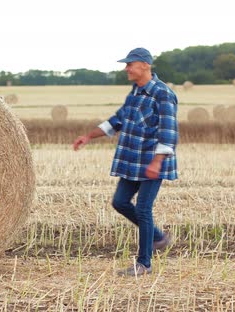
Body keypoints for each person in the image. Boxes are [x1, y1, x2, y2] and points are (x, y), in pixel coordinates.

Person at [73, 47, 178, 277]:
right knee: (120, 202)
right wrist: (89, 136)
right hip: (133, 161)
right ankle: (159, 237)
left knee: (143, 208)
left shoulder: (162, 94)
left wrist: (157, 161)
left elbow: (169, 132)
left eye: (130, 64)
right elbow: (117, 120)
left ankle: (144, 264)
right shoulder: (136, 92)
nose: (126, 68)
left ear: (145, 66)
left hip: (152, 162)